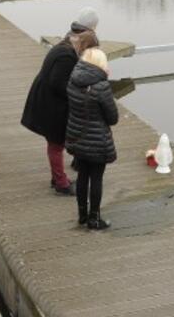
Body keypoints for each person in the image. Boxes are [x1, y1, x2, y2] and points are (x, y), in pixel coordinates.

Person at [21, 8, 99, 195]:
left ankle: (57, 177)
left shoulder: (67, 44)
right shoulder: (66, 55)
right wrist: (80, 93)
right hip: (50, 104)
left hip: (48, 100)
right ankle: (60, 183)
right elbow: (58, 84)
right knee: (56, 144)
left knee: (57, 142)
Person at [65, 47, 119, 230]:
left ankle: (82, 215)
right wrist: (105, 79)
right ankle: (94, 219)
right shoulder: (101, 87)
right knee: (96, 178)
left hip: (77, 136)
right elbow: (113, 118)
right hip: (97, 141)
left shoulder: (72, 81)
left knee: (82, 175)